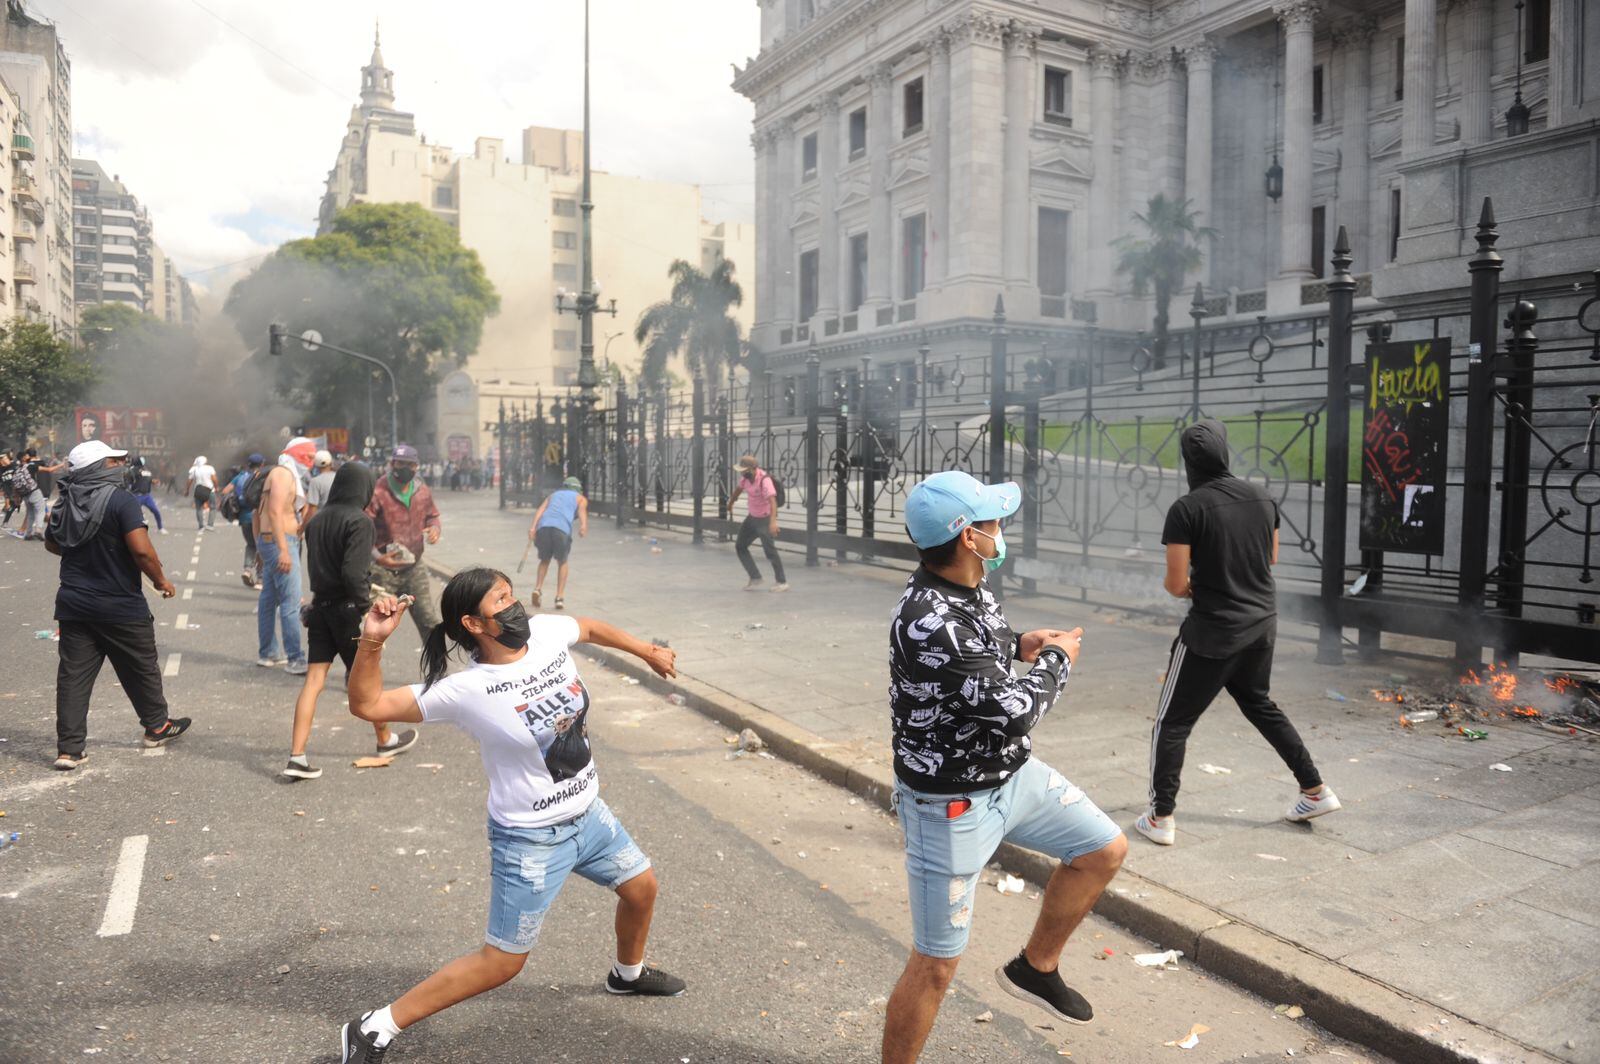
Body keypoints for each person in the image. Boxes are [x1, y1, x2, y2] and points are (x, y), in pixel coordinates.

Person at [336, 568, 686, 1061]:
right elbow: (368, 704)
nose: (515, 606)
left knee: (641, 887)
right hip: (531, 839)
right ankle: (375, 1026)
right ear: (473, 623)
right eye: (500, 600)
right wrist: (371, 644)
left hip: (590, 815)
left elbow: (587, 626)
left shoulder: (544, 634)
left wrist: (645, 650)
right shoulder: (467, 690)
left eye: (511, 594)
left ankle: (626, 976)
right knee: (502, 961)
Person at [882, 470, 1125, 1064]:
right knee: (937, 966)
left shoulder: (972, 588)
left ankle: (1035, 967)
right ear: (968, 537)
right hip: (949, 805)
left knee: (1104, 850)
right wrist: (1059, 661)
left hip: (1013, 779)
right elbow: (1014, 711)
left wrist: (1020, 644)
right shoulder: (928, 617)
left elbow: (977, 655)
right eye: (993, 521)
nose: (1002, 530)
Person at [1136, 420, 1339, 846]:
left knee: (1171, 723)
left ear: (1189, 461)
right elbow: (1271, 558)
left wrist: (1201, 585)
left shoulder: (1187, 509)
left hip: (1212, 633)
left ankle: (1160, 816)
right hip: (1261, 624)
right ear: (1225, 452)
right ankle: (1314, 790)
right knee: (1260, 704)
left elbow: (1175, 586)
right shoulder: (1262, 496)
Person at [45, 440, 190, 771]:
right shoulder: (121, 501)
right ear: (100, 467)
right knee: (141, 667)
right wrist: (161, 580)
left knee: (73, 676)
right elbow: (141, 550)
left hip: (74, 603)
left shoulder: (64, 500)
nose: (120, 466)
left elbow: (53, 543)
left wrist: (82, 552)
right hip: (120, 605)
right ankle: (157, 727)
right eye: (114, 461)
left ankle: (69, 750)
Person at [284, 461, 417, 780]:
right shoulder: (359, 521)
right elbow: (353, 573)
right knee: (368, 674)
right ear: (363, 489)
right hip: (346, 610)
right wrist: (366, 606)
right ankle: (385, 740)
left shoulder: (316, 521)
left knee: (314, 681)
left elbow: (318, 569)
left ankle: (297, 756)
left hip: (320, 608)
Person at [367, 443, 442, 643]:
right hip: (383, 571)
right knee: (373, 626)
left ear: (416, 467)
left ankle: (437, 671)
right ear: (392, 464)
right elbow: (363, 529)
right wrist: (378, 558)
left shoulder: (422, 490)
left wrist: (434, 529)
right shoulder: (378, 491)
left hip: (414, 567)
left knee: (430, 622)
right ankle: (360, 673)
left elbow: (433, 516)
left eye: (410, 465)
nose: (405, 469)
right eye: (400, 464)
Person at [255, 437, 317, 674]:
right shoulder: (283, 474)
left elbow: (261, 512)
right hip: (281, 541)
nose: (311, 461)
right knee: (291, 602)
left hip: (272, 540)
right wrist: (282, 549)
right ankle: (295, 658)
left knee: (269, 599)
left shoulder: (283, 473)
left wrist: (265, 547)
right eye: (308, 456)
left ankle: (269, 652)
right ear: (295, 453)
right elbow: (273, 510)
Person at [727, 453, 788, 592]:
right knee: (740, 546)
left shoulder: (764, 480)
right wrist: (731, 502)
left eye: (744, 471)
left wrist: (773, 522)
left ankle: (782, 582)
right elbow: (738, 489)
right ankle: (755, 577)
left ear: (752, 469)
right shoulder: (746, 479)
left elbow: (772, 501)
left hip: (765, 519)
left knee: (769, 551)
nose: (742, 474)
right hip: (752, 518)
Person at [527, 475, 588, 610]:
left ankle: (538, 588)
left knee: (544, 560)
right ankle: (559, 597)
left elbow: (540, 510)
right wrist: (583, 526)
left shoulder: (553, 495)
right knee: (563, 562)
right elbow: (582, 511)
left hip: (543, 527)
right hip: (561, 529)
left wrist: (533, 528)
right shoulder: (580, 498)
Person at [221, 454, 266, 588]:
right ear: (262, 465)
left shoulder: (239, 477)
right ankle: (260, 578)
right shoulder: (262, 477)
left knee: (251, 544)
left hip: (244, 517)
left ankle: (247, 570)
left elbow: (225, 491)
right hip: (260, 516)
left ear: (248, 464)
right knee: (262, 546)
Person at [11, 447, 45, 540]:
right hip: (34, 491)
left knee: (30, 513)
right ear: (23, 458)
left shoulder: (17, 469)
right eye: (26, 455)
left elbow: (14, 486)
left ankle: (28, 534)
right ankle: (38, 530)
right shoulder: (31, 465)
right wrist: (62, 465)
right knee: (41, 510)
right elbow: (48, 469)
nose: (28, 456)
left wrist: (16, 498)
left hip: (25, 494)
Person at [300, 449, 336, 532]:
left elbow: (312, 509)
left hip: (323, 526)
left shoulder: (315, 481)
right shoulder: (340, 477)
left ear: (316, 465)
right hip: (340, 524)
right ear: (331, 462)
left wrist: (302, 528)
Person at [127, 455, 164, 534]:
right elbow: (129, 480)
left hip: (147, 496)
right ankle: (135, 530)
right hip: (136, 495)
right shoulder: (132, 470)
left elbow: (150, 480)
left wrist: (155, 481)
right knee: (135, 514)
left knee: (156, 511)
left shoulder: (146, 470)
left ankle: (160, 528)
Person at [185, 454, 219, 531]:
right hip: (210, 490)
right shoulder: (210, 468)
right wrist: (216, 488)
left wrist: (187, 490)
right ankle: (210, 525)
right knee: (213, 507)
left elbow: (189, 481)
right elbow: (214, 479)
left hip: (198, 490)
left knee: (199, 509)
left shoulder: (194, 469)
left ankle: (201, 526)